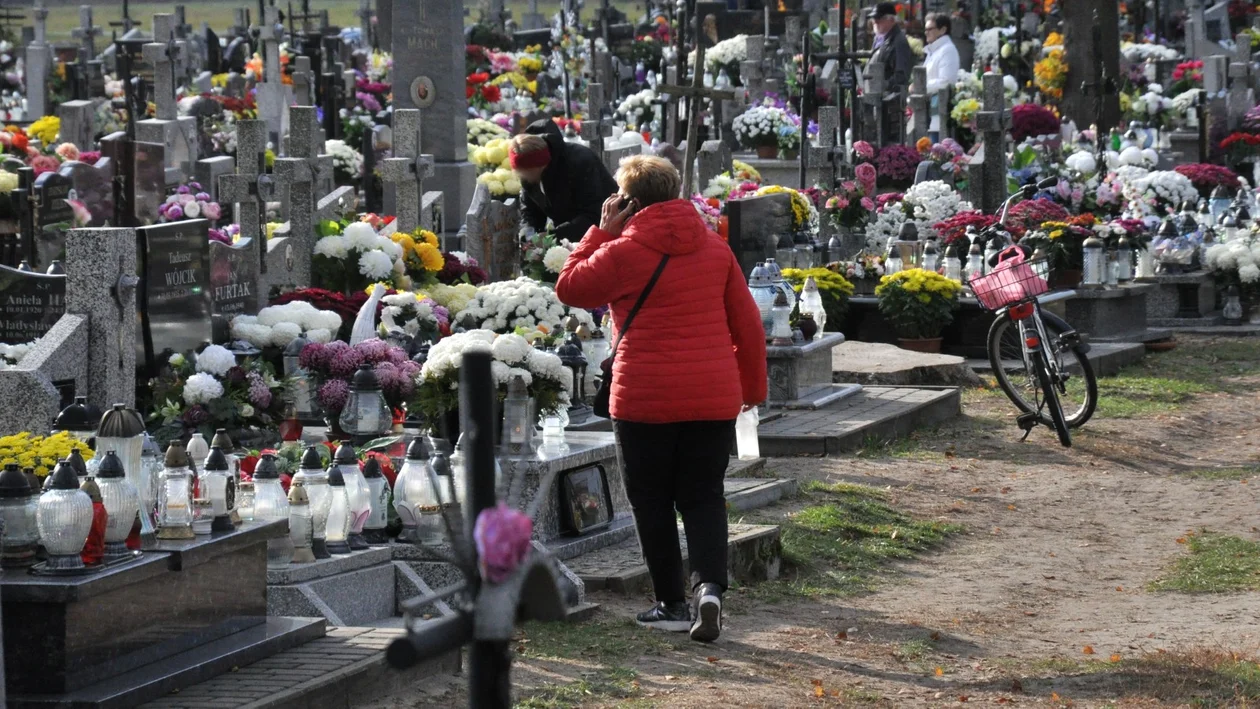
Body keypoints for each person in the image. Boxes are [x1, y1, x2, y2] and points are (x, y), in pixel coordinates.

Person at [555, 156, 767, 643]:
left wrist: (601, 232)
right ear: (676, 193)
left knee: (651, 502)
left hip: (644, 398)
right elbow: (748, 327)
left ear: (628, 201)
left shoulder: (623, 252)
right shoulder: (715, 249)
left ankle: (671, 603)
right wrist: (751, 393)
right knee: (703, 497)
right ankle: (710, 588)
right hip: (712, 397)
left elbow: (570, 287)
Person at [510, 119, 619, 244]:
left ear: (543, 165)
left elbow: (594, 213)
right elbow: (530, 209)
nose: (526, 178)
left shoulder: (580, 161)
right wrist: (527, 233)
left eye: (529, 173)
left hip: (605, 232)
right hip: (569, 235)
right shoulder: (528, 172)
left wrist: (552, 236)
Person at [869, 2, 915, 142]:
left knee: (888, 141)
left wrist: (881, 86)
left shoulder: (898, 41)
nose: (875, 22)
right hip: (878, 102)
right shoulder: (881, 38)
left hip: (889, 106)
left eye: (879, 18)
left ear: (891, 20)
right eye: (873, 18)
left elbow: (901, 76)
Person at [923, 13, 960, 143]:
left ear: (943, 30)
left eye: (930, 29)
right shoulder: (933, 50)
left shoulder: (947, 50)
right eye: (925, 29)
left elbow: (946, 81)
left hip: (938, 116)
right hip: (927, 113)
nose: (926, 33)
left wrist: (920, 86)